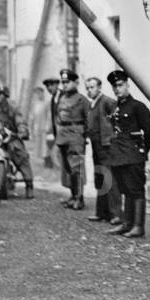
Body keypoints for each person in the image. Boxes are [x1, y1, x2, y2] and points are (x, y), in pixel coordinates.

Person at [106, 69, 150, 237]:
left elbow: (149, 132)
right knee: (125, 189)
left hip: (133, 155)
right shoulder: (116, 107)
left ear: (127, 84)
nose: (117, 89)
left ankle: (139, 226)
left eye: (120, 85)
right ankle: (127, 223)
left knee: (136, 190)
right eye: (114, 87)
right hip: (118, 155)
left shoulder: (138, 107)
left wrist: (142, 152)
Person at [84, 76, 120, 223]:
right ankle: (102, 212)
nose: (89, 90)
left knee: (110, 179)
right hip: (96, 146)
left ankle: (116, 214)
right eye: (87, 88)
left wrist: (113, 140)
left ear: (99, 87)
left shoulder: (107, 102)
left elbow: (117, 122)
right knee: (100, 178)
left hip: (107, 146)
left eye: (92, 87)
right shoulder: (92, 104)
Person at [0, 85, 34, 199]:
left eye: (0, 94)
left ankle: (29, 184)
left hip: (11, 138)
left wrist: (22, 131)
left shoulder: (13, 109)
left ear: (5, 96)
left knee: (21, 154)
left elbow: (20, 121)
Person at [53, 69, 89, 210]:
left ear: (76, 82)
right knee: (68, 169)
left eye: (67, 82)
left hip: (76, 136)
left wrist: (83, 136)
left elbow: (89, 119)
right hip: (63, 137)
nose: (65, 85)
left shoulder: (82, 100)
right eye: (63, 82)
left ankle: (80, 198)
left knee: (77, 169)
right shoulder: (61, 98)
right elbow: (58, 117)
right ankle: (73, 195)